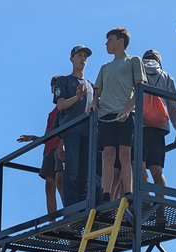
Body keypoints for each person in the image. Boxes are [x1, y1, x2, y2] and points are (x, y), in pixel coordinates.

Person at [90, 27, 145, 199]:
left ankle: (128, 192)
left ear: (120, 41)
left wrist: (127, 109)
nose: (106, 43)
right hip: (106, 114)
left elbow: (140, 89)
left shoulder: (133, 61)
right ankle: (106, 193)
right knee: (108, 153)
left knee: (125, 153)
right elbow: (97, 92)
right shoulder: (105, 67)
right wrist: (93, 103)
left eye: (110, 39)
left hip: (125, 113)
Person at [17, 76, 65, 214]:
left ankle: (69, 213)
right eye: (54, 86)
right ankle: (51, 220)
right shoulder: (51, 114)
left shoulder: (67, 107)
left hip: (60, 148)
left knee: (60, 181)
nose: (56, 88)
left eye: (59, 85)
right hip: (48, 150)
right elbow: (47, 135)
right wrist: (34, 138)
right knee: (49, 186)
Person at [54, 45, 94, 205]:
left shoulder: (91, 85)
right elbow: (60, 105)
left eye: (85, 56)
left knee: (86, 173)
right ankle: (71, 209)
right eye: (79, 55)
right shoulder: (64, 81)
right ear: (72, 58)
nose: (82, 58)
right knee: (71, 171)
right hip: (71, 132)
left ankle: (84, 206)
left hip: (89, 133)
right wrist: (77, 97)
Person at [141, 49, 176, 188]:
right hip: (159, 127)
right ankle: (160, 206)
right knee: (157, 169)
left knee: (138, 165)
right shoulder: (166, 77)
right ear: (159, 61)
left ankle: (145, 203)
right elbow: (173, 105)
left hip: (139, 125)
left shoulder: (137, 72)